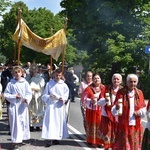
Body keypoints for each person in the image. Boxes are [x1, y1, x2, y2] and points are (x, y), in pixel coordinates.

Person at [111, 74, 146, 150]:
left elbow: (143, 107)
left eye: (134, 82)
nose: (132, 84)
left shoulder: (139, 93)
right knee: (124, 147)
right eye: (130, 82)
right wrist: (116, 108)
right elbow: (114, 109)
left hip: (135, 125)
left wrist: (139, 112)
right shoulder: (121, 92)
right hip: (123, 126)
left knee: (134, 146)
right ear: (126, 82)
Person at [4, 66, 32, 150]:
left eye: (18, 72)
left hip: (22, 106)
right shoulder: (10, 83)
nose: (17, 74)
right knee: (15, 124)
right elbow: (6, 94)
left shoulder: (25, 83)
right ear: (13, 73)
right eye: (15, 72)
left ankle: (21, 139)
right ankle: (15, 141)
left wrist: (27, 99)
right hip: (14, 106)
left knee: (23, 122)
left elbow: (29, 93)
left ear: (22, 73)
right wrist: (14, 96)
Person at [41, 69, 69, 147]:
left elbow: (66, 95)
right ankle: (50, 138)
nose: (57, 77)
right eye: (56, 75)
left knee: (58, 122)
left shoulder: (63, 85)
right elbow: (44, 95)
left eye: (59, 75)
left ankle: (57, 137)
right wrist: (49, 96)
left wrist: (62, 98)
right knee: (51, 122)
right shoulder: (49, 84)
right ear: (54, 75)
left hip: (59, 106)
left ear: (61, 75)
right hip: (51, 105)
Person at [97, 73, 122, 149]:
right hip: (106, 116)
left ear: (121, 81)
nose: (116, 80)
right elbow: (99, 102)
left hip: (118, 117)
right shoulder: (106, 89)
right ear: (112, 80)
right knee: (107, 137)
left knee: (116, 137)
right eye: (114, 78)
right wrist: (105, 99)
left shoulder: (123, 91)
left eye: (118, 79)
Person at [82, 73, 104, 147]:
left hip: (101, 110)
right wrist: (90, 100)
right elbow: (83, 98)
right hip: (91, 110)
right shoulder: (89, 88)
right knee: (91, 124)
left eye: (98, 78)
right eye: (95, 78)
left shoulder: (104, 88)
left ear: (100, 79)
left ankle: (100, 141)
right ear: (92, 80)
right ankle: (91, 140)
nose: (96, 80)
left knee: (100, 125)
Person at [25, 63, 45, 131]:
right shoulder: (27, 78)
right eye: (31, 71)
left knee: (38, 110)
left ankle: (38, 125)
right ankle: (30, 125)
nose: (32, 72)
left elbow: (41, 86)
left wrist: (34, 87)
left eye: (34, 71)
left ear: (36, 71)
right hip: (30, 97)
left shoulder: (40, 78)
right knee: (30, 111)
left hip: (37, 96)